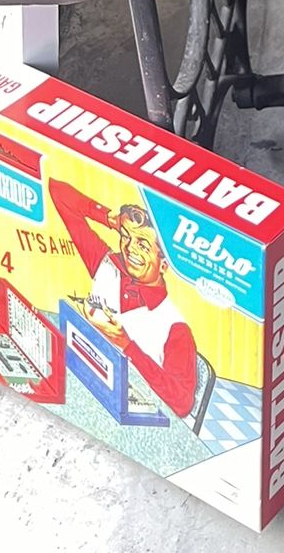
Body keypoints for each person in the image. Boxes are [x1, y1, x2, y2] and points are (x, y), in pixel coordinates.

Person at [48, 178, 197, 418]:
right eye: (126, 236)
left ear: (164, 264)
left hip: (130, 415)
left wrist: (126, 345)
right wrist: (109, 218)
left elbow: (182, 403)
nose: (130, 249)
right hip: (82, 382)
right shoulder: (106, 264)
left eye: (143, 245)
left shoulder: (175, 327)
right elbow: (59, 192)